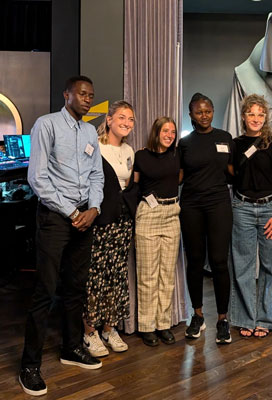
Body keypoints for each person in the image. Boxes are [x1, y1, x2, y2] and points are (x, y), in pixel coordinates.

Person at [20, 76, 104, 396]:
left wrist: (94, 208)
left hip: (85, 218)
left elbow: (96, 173)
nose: (87, 99)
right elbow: (37, 178)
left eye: (91, 95)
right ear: (67, 94)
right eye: (82, 94)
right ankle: (30, 365)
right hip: (57, 218)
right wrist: (72, 212)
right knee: (45, 290)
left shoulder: (88, 131)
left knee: (75, 288)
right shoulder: (46, 125)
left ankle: (71, 348)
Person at [230, 94, 272, 338]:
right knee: (242, 266)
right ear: (243, 116)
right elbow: (229, 177)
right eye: (251, 113)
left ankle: (266, 319)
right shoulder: (234, 144)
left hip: (270, 210)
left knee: (271, 266)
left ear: (265, 117)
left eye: (260, 114)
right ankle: (245, 318)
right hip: (242, 209)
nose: (256, 118)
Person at [82, 100, 137, 357]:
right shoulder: (95, 146)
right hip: (100, 222)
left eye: (131, 120)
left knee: (116, 275)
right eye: (122, 118)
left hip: (122, 223)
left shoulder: (129, 151)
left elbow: (129, 186)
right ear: (109, 119)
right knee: (95, 277)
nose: (126, 123)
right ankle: (89, 331)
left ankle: (109, 327)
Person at [179, 93, 234, 344]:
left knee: (220, 262)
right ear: (191, 115)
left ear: (213, 112)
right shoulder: (185, 143)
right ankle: (197, 315)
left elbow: (233, 172)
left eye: (208, 111)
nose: (204, 115)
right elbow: (177, 176)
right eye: (199, 112)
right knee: (195, 261)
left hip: (219, 205)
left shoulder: (225, 138)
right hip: (191, 206)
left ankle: (222, 320)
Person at [134, 117, 181, 346]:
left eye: (172, 131)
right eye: (165, 131)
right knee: (148, 275)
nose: (169, 135)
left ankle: (163, 324)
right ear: (156, 132)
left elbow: (180, 178)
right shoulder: (141, 155)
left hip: (172, 212)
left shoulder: (177, 155)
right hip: (148, 215)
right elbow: (134, 185)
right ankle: (146, 327)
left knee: (167, 275)